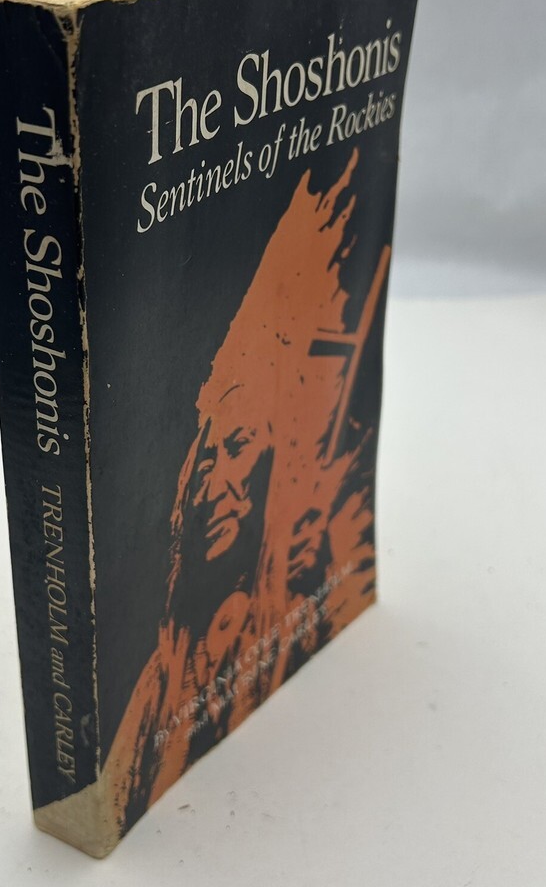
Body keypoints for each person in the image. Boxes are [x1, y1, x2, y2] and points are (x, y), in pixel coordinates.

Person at [105, 147, 388, 833]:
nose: (216, 483)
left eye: (238, 449)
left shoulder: (312, 591)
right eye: (206, 459)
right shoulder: (158, 679)